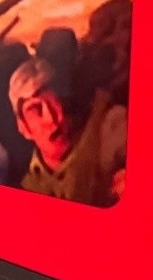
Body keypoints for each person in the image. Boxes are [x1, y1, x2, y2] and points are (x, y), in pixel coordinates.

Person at [7, 57, 126, 206]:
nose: (51, 119)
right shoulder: (28, 187)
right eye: (35, 109)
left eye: (54, 101)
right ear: (23, 127)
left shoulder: (106, 128)